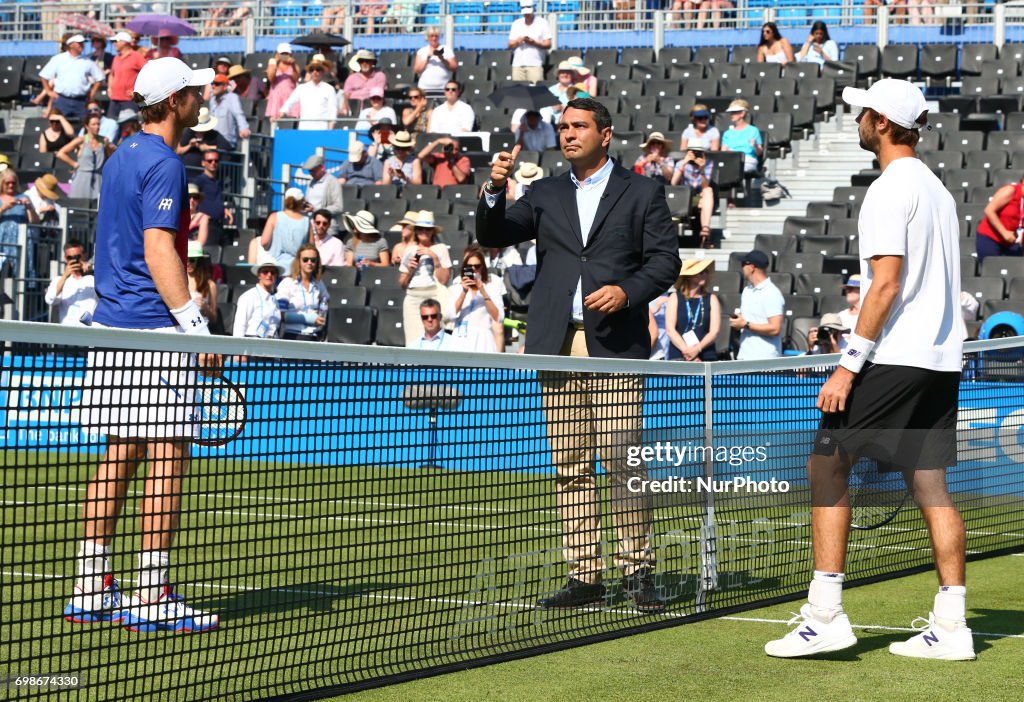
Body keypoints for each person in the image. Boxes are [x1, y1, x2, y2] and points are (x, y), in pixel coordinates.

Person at [765, 79, 973, 661]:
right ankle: (952, 625)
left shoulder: (889, 187)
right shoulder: (936, 190)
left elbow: (885, 284)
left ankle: (825, 615)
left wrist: (847, 367)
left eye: (863, 113)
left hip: (897, 355)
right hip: (939, 361)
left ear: (881, 122)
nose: (856, 120)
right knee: (929, 484)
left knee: (826, 464)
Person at [476, 97, 680, 612]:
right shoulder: (544, 193)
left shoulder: (643, 191)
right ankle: (585, 575)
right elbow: (492, 234)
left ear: (604, 134)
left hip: (614, 345)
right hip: (557, 344)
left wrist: (628, 292)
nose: (568, 134)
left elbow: (665, 262)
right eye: (563, 127)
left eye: (579, 126)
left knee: (622, 460)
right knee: (569, 464)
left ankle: (637, 572)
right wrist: (495, 190)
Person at [68, 56, 221, 634]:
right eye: (194, 92)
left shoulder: (120, 156)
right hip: (154, 331)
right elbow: (159, 251)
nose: (201, 99)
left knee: (120, 454)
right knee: (168, 456)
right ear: (174, 101)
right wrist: (196, 328)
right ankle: (153, 594)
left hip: (113, 329)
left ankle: (90, 586)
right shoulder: (164, 162)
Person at [398, 210, 452, 346]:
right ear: (415, 230)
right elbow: (402, 284)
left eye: (427, 229)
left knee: (436, 338)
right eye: (420, 228)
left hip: (434, 294)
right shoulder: (409, 250)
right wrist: (410, 270)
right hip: (413, 297)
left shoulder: (441, 248)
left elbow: (444, 280)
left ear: (433, 231)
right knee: (412, 341)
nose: (424, 232)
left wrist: (434, 258)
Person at [444, 245, 505, 352]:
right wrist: (463, 292)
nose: (473, 270)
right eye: (469, 266)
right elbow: (449, 316)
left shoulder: (492, 288)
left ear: (482, 268)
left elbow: (499, 317)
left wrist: (483, 291)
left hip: (483, 340)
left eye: (477, 266)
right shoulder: (457, 287)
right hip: (460, 338)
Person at [36, 34, 105, 123]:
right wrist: (49, 91)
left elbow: (99, 78)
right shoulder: (58, 59)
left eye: (82, 43)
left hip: (81, 100)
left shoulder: (87, 61)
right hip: (62, 99)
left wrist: (92, 94)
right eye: (79, 43)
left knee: (84, 125)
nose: (82, 45)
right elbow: (44, 75)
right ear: (71, 45)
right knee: (58, 125)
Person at [730, 250, 784, 359]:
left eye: (743, 264)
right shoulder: (747, 290)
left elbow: (775, 328)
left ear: (752, 267)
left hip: (764, 359)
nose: (742, 268)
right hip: (745, 356)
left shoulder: (772, 292)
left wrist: (745, 324)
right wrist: (739, 322)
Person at [666, 258, 720, 361]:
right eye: (701, 272)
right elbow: (670, 330)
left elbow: (714, 331)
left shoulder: (712, 298)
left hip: (705, 355)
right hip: (679, 355)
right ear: (689, 276)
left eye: (706, 271)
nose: (705, 274)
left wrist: (697, 349)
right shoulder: (675, 297)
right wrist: (687, 351)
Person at [277, 242, 329, 341]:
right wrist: (310, 319)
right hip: (292, 336)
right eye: (305, 259)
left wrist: (321, 314)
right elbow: (281, 314)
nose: (309, 263)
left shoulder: (319, 283)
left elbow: (326, 300)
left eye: (313, 260)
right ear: (299, 261)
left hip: (314, 336)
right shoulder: (287, 283)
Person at [58, 113, 115, 201]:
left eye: (98, 124)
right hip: (82, 178)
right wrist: (74, 164)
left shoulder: (103, 140)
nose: (97, 127)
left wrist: (107, 146)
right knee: (78, 203)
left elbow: (116, 153)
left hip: (98, 178)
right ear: (87, 126)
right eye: (94, 124)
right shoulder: (82, 140)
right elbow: (61, 153)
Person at [671, 139, 715, 247]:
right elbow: (673, 183)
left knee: (708, 190)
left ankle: (705, 229)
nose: (695, 154)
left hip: (699, 196)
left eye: (698, 152)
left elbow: (705, 186)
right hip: (682, 197)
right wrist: (684, 164)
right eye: (693, 151)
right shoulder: (681, 163)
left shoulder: (708, 163)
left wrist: (702, 169)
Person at [277, 55, 338, 130]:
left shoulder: (329, 89)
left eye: (318, 69)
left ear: (322, 72)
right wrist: (281, 113)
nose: (315, 72)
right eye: (312, 70)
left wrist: (330, 130)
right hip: (304, 128)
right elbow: (289, 102)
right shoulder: (301, 88)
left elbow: (333, 111)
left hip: (322, 129)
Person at [45, 239, 97, 326]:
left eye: (77, 257)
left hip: (89, 328)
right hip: (67, 329)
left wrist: (91, 268)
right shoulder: (60, 280)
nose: (74, 260)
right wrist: (65, 276)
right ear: (65, 258)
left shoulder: (93, 279)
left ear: (84, 256)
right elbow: (50, 299)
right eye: (70, 258)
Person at [258, 187, 311, 272]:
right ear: (301, 202)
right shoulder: (307, 221)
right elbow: (311, 248)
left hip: (276, 267)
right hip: (297, 268)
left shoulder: (274, 217)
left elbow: (264, 242)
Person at [976, 173, 1024, 261]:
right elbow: (989, 210)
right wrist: (1004, 232)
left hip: (1012, 242)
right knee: (991, 266)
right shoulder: (1011, 190)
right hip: (991, 237)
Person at [234, 254, 284, 338]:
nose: (269, 275)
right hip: (252, 341)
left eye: (273, 272)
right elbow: (239, 326)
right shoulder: (248, 296)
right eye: (265, 271)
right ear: (259, 275)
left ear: (276, 276)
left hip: (272, 342)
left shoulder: (275, 299)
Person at [191, 150, 233, 244]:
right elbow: (190, 199)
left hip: (220, 225)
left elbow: (213, 199)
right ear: (203, 163)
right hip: (207, 226)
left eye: (216, 160)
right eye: (210, 161)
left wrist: (224, 209)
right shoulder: (199, 181)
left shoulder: (218, 181)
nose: (213, 163)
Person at [0, 170, 38, 270]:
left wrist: (30, 208)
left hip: (21, 237)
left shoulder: (24, 197)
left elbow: (34, 221)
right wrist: (4, 208)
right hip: (2, 238)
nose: (11, 185)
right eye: (7, 183)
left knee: (21, 266)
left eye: (13, 183)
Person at [508, 1, 552, 83]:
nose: (526, 15)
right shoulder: (516, 24)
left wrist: (534, 43)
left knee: (536, 89)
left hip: (535, 64)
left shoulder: (542, 23)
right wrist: (518, 41)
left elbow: (548, 44)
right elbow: (510, 44)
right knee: (518, 89)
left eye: (528, 13)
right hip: (518, 65)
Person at [302, 154, 345, 236]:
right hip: (311, 227)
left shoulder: (333, 182)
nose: (311, 173)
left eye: (313, 170)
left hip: (327, 229)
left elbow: (339, 207)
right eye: (310, 171)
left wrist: (316, 210)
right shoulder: (310, 183)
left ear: (322, 167)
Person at [177, 107, 230, 172]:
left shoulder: (214, 134)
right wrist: (190, 145)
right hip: (187, 169)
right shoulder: (190, 132)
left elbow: (227, 146)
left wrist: (208, 147)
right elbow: (179, 150)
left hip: (205, 172)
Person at [108, 31, 147, 119]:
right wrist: (109, 88)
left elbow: (147, 74)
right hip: (114, 100)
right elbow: (112, 74)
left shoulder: (137, 56)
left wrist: (138, 92)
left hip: (129, 101)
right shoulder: (116, 57)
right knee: (111, 124)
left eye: (116, 41)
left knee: (129, 126)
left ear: (124, 42)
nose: (114, 43)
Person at [340, 49, 388, 117]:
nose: (364, 63)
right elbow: (346, 96)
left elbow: (378, 94)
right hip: (353, 111)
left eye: (367, 61)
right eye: (361, 61)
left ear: (373, 63)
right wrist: (345, 110)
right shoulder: (351, 78)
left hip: (373, 110)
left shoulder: (380, 76)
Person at [721, 99, 763, 174]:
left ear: (742, 114)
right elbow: (723, 152)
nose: (731, 115)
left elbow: (759, 153)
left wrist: (755, 145)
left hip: (748, 160)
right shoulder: (727, 133)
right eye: (731, 112)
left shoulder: (753, 130)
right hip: (731, 160)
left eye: (734, 112)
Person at [208, 74, 251, 149]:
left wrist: (244, 128)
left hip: (226, 142)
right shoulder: (212, 100)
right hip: (212, 141)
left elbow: (239, 114)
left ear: (225, 86)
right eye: (212, 83)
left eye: (217, 84)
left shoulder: (232, 97)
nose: (213, 86)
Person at [414, 28, 457, 96]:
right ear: (427, 37)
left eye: (436, 36)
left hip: (443, 88)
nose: (434, 38)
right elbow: (417, 70)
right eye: (431, 36)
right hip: (424, 88)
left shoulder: (447, 49)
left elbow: (454, 68)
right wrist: (427, 58)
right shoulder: (422, 51)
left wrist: (442, 58)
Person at [185, 240, 218, 326]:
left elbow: (214, 318)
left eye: (192, 260)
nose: (188, 263)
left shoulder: (210, 285)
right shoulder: (179, 282)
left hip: (201, 328)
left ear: (199, 261)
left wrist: (206, 308)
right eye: (185, 259)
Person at [265, 43, 300, 120]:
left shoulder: (295, 66)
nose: (284, 56)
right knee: (275, 122)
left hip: (290, 97)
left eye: (286, 54)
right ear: (278, 54)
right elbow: (271, 78)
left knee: (290, 122)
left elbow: (296, 79)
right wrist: (276, 63)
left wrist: (293, 65)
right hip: (276, 99)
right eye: (282, 54)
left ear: (291, 54)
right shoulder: (272, 65)